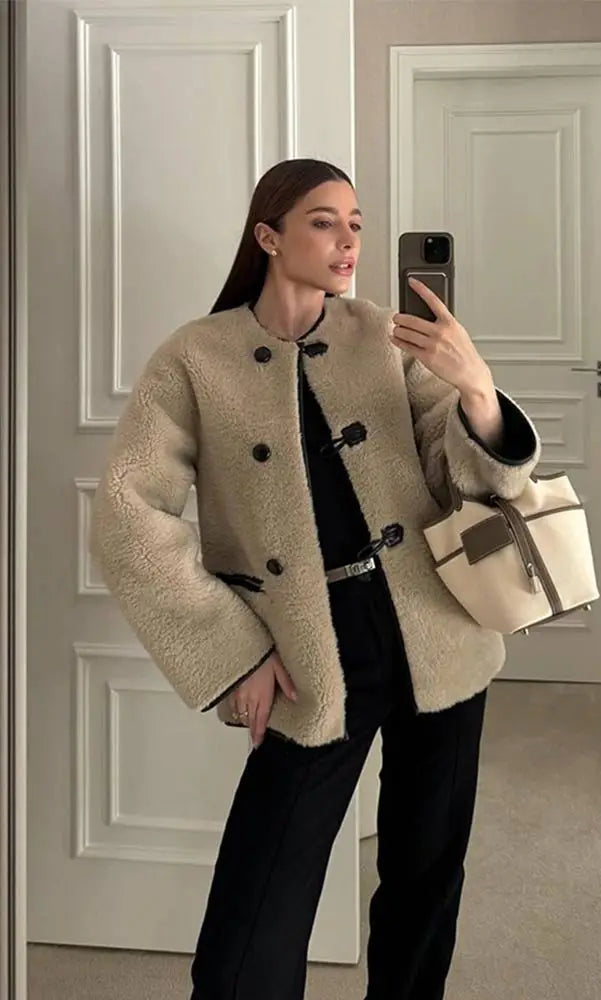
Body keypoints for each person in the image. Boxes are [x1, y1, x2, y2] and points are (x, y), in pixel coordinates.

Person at [89, 157, 540, 1000]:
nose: (347, 242)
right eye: (324, 222)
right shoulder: (195, 358)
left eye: (356, 224)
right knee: (258, 906)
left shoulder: (385, 336)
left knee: (426, 871)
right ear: (269, 236)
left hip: (436, 630)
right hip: (306, 651)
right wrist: (235, 653)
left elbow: (466, 481)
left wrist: (476, 388)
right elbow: (126, 515)